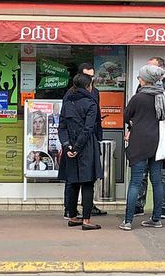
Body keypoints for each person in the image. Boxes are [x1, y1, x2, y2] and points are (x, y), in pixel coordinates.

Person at [119, 64, 165, 231]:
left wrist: (133, 123)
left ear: (145, 80)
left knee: (135, 182)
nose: (138, 79)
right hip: (157, 142)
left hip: (139, 142)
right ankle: (156, 218)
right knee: (157, 181)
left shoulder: (138, 97)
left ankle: (127, 220)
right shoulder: (161, 96)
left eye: (140, 77)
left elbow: (126, 116)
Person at [134, 56, 165, 219]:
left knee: (162, 173)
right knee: (142, 173)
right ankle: (139, 205)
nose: (147, 71)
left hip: (162, 136)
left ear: (161, 69)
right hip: (144, 137)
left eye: (151, 67)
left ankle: (163, 207)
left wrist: (162, 124)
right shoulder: (141, 86)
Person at [58, 74, 103, 231]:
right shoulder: (91, 103)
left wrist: (67, 146)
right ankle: (86, 220)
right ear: (88, 86)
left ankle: (72, 216)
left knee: (72, 182)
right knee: (88, 183)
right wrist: (77, 147)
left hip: (69, 145)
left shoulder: (67, 102)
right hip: (86, 146)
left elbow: (61, 127)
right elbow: (89, 128)